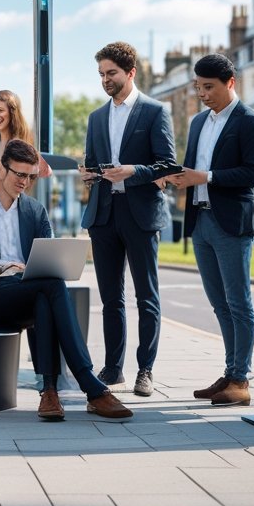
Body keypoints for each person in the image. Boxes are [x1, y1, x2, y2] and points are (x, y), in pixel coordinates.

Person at [0, 139, 132, 421]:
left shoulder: (35, 211)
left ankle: (50, 392)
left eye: (31, 176)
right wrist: (3, 266)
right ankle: (89, 386)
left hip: (26, 292)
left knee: (46, 291)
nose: (25, 182)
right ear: (0, 168)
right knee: (48, 288)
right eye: (19, 174)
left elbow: (47, 258)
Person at [167, 53, 254, 407]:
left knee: (239, 303)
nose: (202, 94)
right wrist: (175, 177)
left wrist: (205, 177)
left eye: (208, 87)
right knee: (219, 304)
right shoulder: (197, 123)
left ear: (230, 83)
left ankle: (241, 379)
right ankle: (230, 372)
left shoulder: (249, 121)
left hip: (231, 223)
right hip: (201, 221)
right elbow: (193, 167)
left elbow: (253, 174)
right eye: (198, 87)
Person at [79, 41, 178, 397]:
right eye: (102, 74)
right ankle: (112, 368)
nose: (105, 80)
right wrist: (90, 174)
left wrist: (132, 171)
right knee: (110, 298)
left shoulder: (155, 111)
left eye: (111, 74)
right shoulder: (95, 117)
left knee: (146, 297)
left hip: (141, 214)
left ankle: (145, 371)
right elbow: (93, 161)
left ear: (130, 72)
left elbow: (168, 165)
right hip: (104, 215)